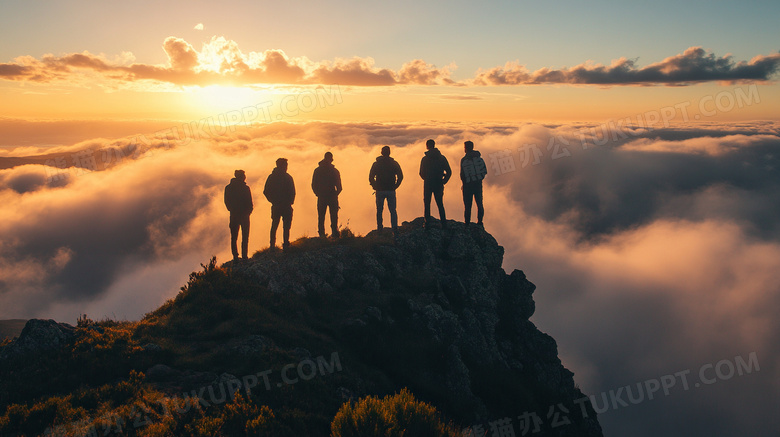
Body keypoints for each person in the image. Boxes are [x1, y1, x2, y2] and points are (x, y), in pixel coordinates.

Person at [369, 146, 404, 234]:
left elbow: (371, 177)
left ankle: (380, 229)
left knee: (379, 210)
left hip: (380, 190)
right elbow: (400, 176)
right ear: (389, 153)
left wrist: (374, 186)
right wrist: (395, 186)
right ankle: (394, 229)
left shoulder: (376, 164)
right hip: (391, 190)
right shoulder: (394, 163)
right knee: (393, 210)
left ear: (381, 153)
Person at [263, 158, 296, 250]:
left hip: (277, 206)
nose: (286, 167)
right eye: (285, 165)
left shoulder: (272, 177)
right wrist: (290, 201)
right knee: (285, 226)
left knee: (275, 225)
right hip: (285, 206)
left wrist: (273, 201)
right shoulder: (288, 177)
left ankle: (273, 245)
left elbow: (266, 191)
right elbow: (293, 191)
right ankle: (285, 244)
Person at [419, 139, 451, 229]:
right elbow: (449, 171)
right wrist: (444, 181)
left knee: (427, 203)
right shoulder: (442, 158)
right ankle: (444, 223)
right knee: (440, 203)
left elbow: (421, 173)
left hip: (428, 184)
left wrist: (427, 179)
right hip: (439, 183)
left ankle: (427, 223)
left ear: (427, 146)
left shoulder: (425, 159)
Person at [311, 151, 342, 238]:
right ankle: (335, 234)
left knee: (321, 217)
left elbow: (313, 185)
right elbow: (339, 187)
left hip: (322, 197)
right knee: (334, 216)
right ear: (331, 159)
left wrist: (318, 194)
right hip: (332, 196)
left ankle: (322, 235)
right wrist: (335, 194)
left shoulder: (317, 170)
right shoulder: (335, 171)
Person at [224, 169, 253, 260]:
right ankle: (244, 256)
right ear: (241, 177)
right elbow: (249, 201)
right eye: (243, 175)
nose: (245, 177)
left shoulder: (228, 188)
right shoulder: (245, 188)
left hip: (234, 215)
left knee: (234, 237)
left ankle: (235, 256)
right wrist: (248, 211)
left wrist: (231, 210)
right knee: (245, 236)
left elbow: (227, 201)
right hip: (244, 215)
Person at [460, 140, 488, 226]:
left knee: (468, 206)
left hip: (467, 186)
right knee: (479, 203)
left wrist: (465, 183)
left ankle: (467, 223)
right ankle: (480, 222)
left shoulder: (464, 160)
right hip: (478, 185)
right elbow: (484, 171)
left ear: (466, 148)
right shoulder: (479, 159)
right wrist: (478, 180)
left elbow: (462, 174)